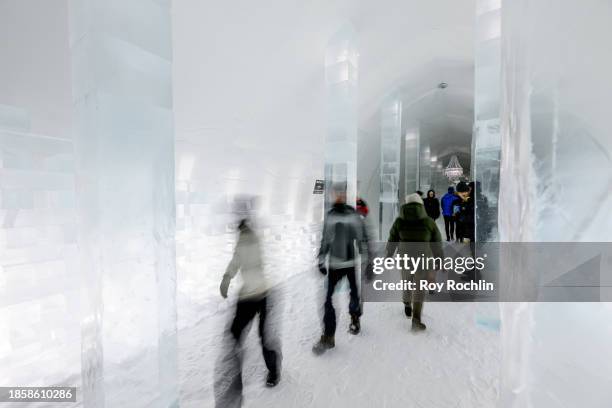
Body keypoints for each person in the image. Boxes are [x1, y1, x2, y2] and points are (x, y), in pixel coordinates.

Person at [218, 218, 281, 388]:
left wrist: (227, 278)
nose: (240, 233)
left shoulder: (251, 241)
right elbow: (236, 261)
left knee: (262, 336)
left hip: (259, 294)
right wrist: (227, 277)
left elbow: (239, 261)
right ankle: (234, 366)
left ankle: (273, 371)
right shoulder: (246, 241)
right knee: (237, 331)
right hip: (250, 293)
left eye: (241, 230)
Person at [313, 183, 370, 355]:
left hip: (350, 262)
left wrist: (368, 261)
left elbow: (362, 238)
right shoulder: (330, 215)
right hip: (334, 264)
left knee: (353, 293)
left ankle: (355, 318)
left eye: (341, 193)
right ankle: (329, 336)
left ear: (345, 195)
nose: (338, 196)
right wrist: (321, 259)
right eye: (335, 193)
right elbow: (325, 239)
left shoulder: (352, 214)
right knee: (327, 299)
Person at [385, 193, 443, 331]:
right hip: (423, 259)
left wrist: (388, 255)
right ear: (421, 206)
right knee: (419, 289)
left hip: (405, 259)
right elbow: (437, 243)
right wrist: (439, 259)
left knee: (407, 282)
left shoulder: (399, 221)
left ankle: (406, 304)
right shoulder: (429, 222)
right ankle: (416, 320)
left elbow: (392, 239)